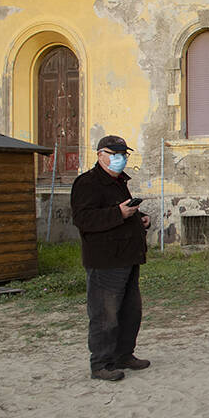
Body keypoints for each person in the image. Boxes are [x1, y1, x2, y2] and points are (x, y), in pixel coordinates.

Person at [70, 135, 150, 382]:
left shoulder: (118, 182)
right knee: (105, 315)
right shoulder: (87, 183)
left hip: (127, 257)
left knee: (130, 311)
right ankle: (101, 364)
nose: (120, 159)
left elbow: (122, 209)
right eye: (114, 154)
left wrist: (140, 217)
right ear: (99, 155)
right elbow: (85, 219)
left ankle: (124, 354)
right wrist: (119, 213)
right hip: (105, 260)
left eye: (123, 154)